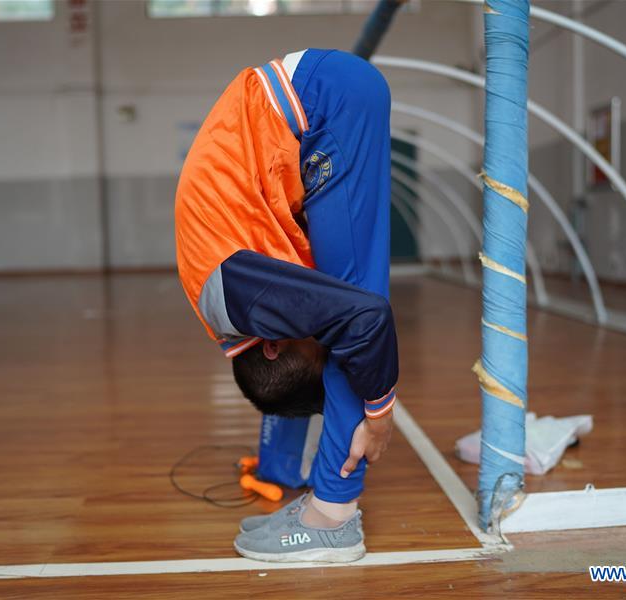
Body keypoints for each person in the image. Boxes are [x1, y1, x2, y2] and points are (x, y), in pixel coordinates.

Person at [175, 48, 397, 563]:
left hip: (319, 101)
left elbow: (365, 318)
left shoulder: (235, 295)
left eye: (310, 350)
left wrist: (380, 412)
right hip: (318, 98)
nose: (312, 337)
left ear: (272, 348)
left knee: (351, 319)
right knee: (347, 317)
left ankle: (334, 517)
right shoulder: (227, 301)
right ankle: (322, 504)